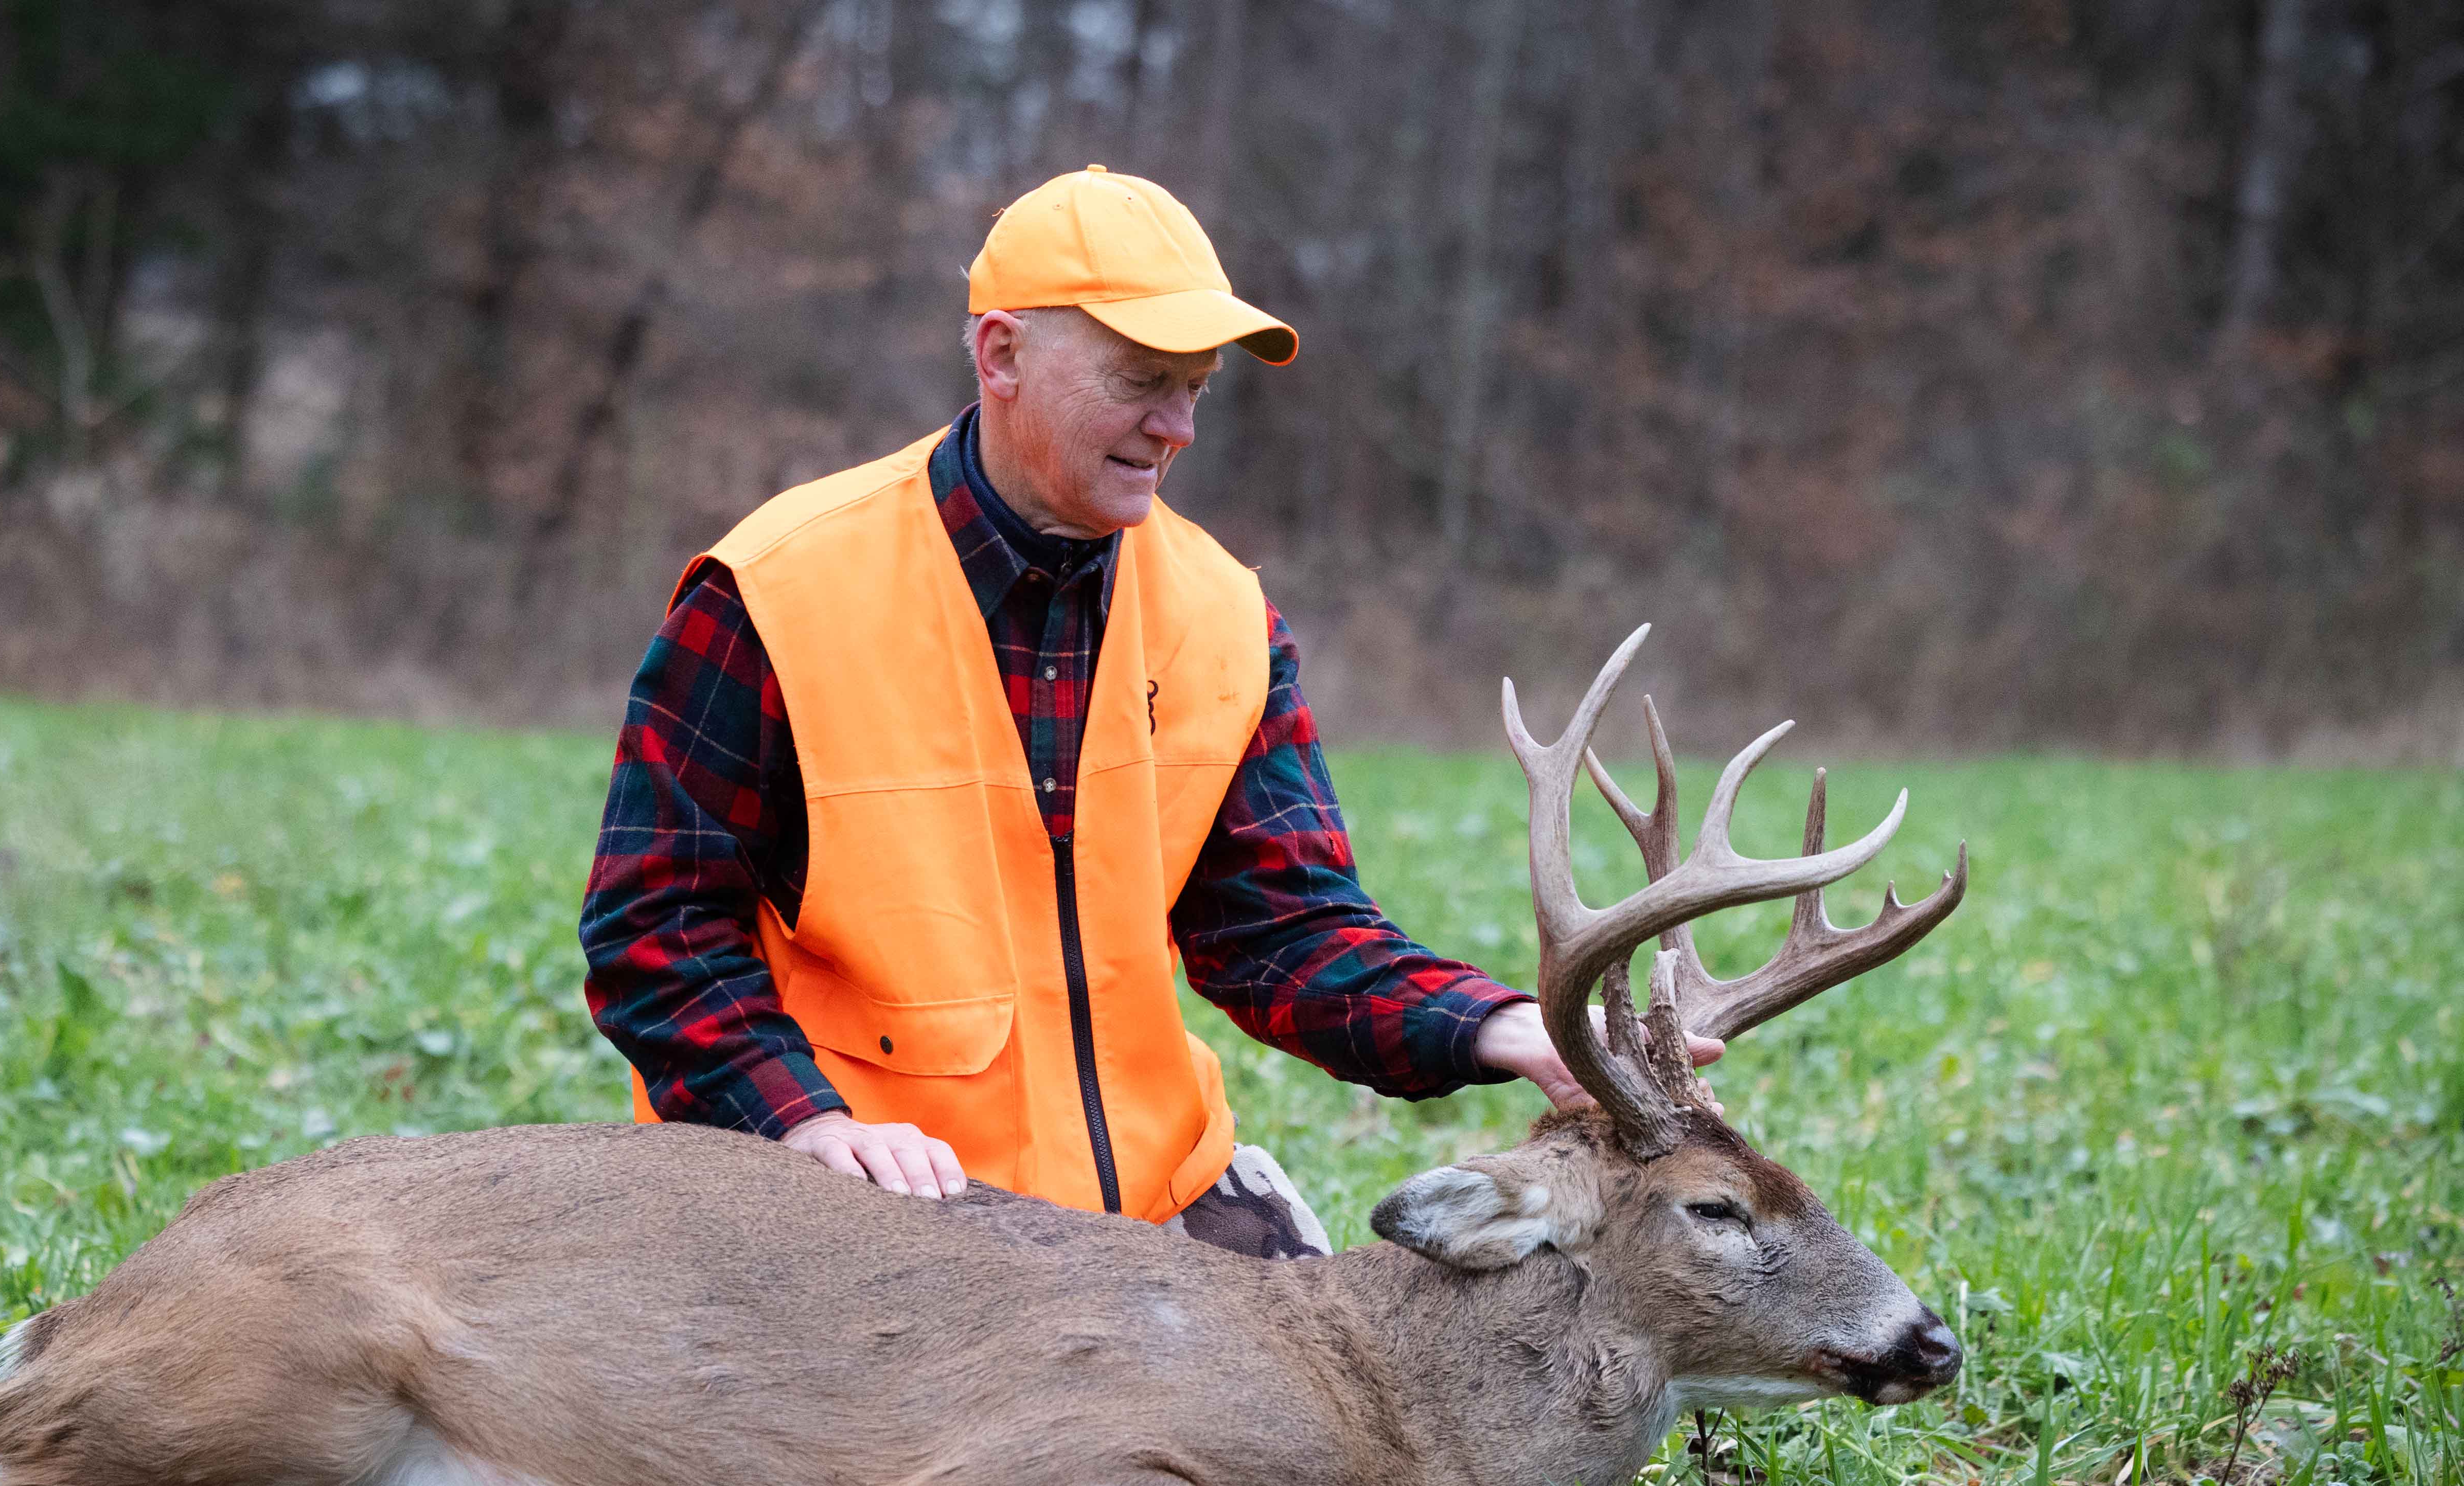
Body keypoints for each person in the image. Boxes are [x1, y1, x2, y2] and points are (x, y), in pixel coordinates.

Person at [580, 167, 1714, 1259]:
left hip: (1149, 1214)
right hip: (870, 1209)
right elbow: (660, 934)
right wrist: (806, 1128)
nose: (1176, 425)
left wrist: (1499, 1027)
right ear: (1002, 354)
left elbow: (1284, 930)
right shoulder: (778, 595)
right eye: (1140, 379)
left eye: (1198, 386)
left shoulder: (1220, 616)